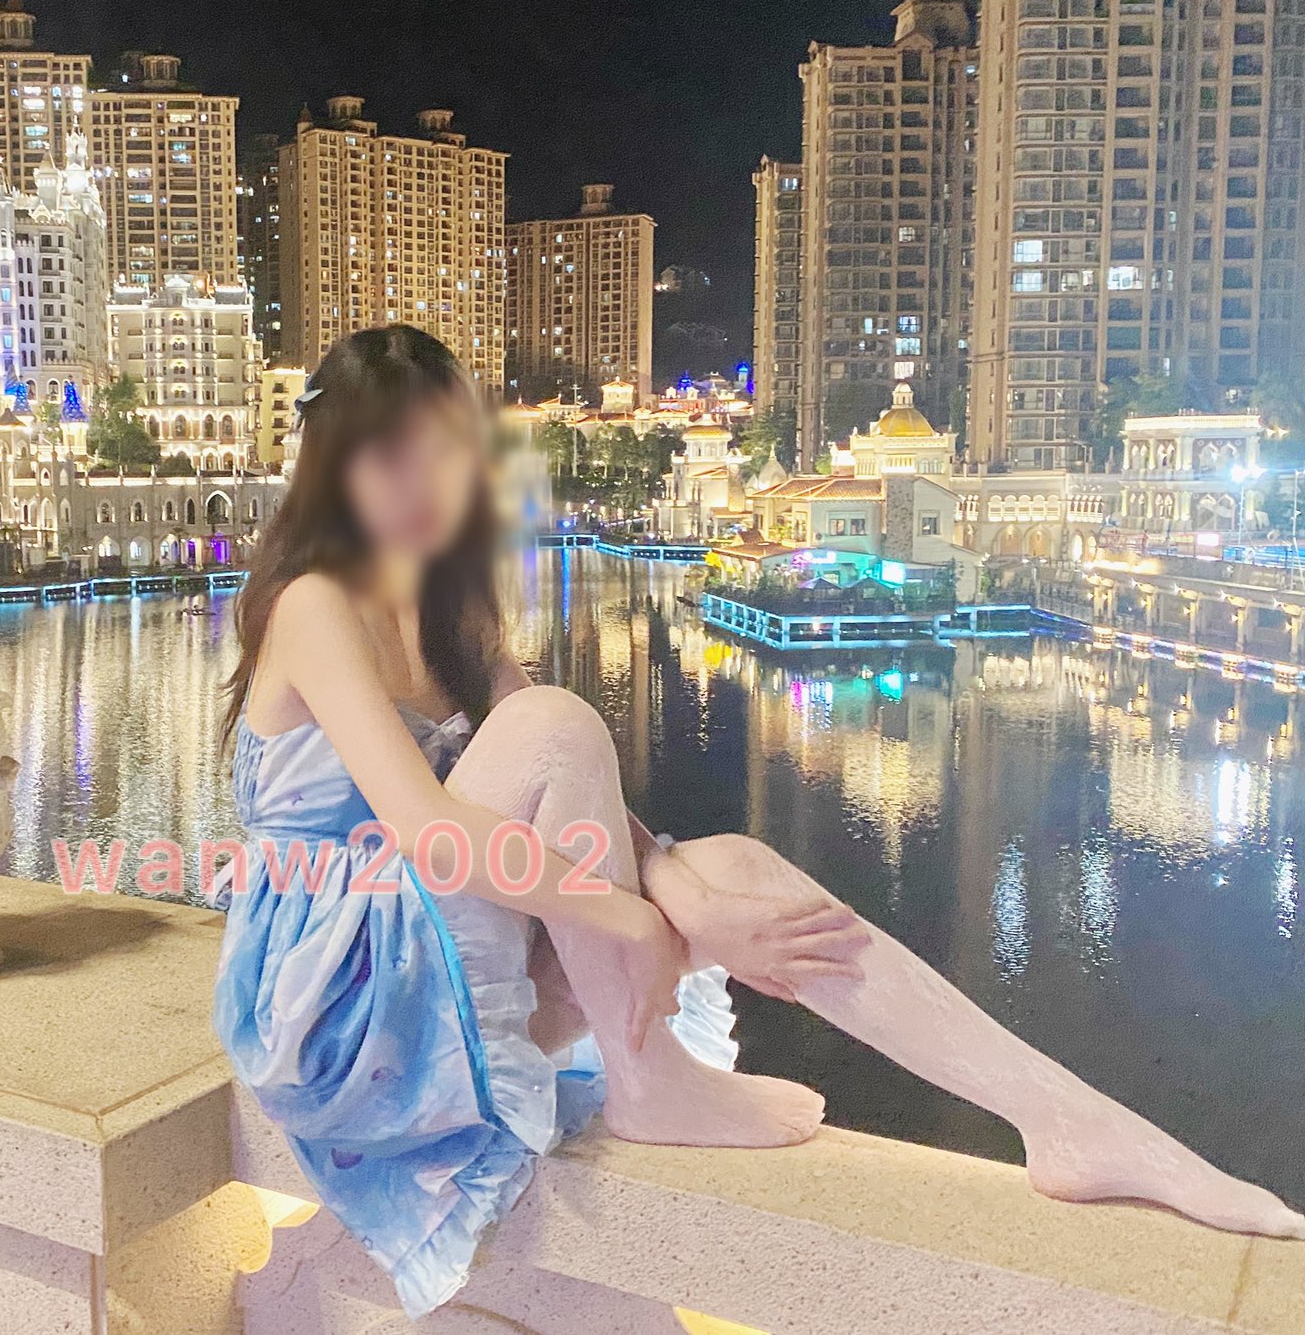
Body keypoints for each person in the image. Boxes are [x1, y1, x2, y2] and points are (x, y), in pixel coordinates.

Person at [212, 325, 1303, 1319]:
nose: (418, 484)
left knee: (729, 862)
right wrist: (631, 919)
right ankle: (646, 1076)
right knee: (554, 721)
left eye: (441, 452)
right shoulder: (314, 603)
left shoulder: (454, 610)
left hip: (436, 960)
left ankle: (1061, 1117)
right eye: (385, 456)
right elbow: (429, 829)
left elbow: (572, 805)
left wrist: (688, 901)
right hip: (337, 999)